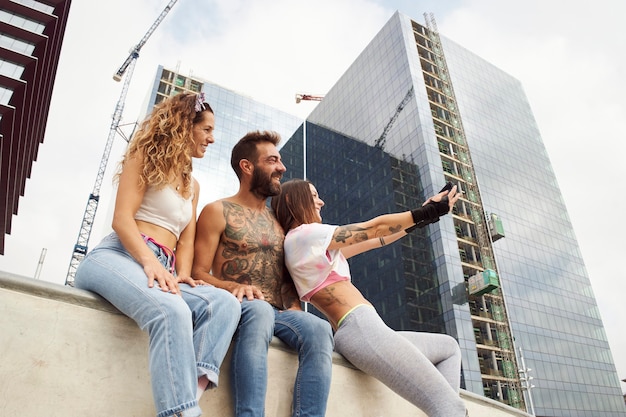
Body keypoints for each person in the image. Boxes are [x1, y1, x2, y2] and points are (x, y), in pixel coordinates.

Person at [74, 92, 241, 417]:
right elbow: (122, 219)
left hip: (164, 269)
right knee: (171, 312)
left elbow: (186, 241)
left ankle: (188, 393)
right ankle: (183, 412)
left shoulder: (192, 185)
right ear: (183, 126)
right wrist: (150, 262)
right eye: (206, 129)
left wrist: (181, 273)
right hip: (120, 257)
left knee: (224, 303)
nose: (212, 138)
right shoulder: (144, 157)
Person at [271, 178, 467, 417]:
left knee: (448, 348)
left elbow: (378, 239)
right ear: (292, 200)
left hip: (364, 330)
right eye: (313, 196)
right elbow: (374, 228)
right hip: (360, 328)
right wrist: (428, 211)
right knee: (450, 406)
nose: (320, 201)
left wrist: (427, 214)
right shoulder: (304, 235)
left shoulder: (307, 246)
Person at [192, 131, 334, 417]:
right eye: (272, 161)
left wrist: (297, 310)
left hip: (279, 313)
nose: (281, 168)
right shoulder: (216, 210)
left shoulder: (279, 222)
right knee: (259, 311)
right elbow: (197, 273)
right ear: (247, 167)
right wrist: (232, 286)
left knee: (319, 328)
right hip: (241, 307)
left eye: (280, 161)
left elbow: (284, 280)